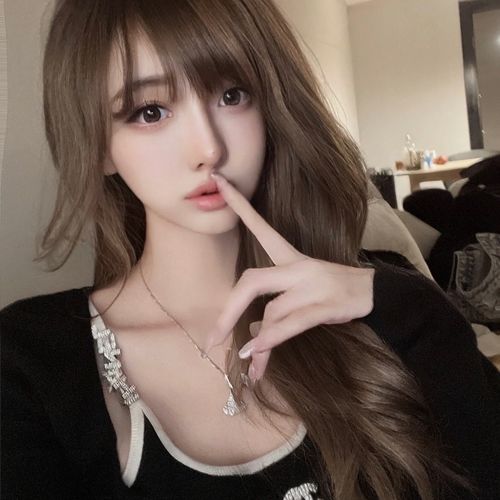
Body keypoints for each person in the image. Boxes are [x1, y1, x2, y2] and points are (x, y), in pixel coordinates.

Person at [1, 1, 499, 499]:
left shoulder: (382, 302)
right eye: (150, 112)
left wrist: (410, 305)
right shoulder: (31, 363)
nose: (209, 149)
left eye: (232, 95)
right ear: (98, 145)